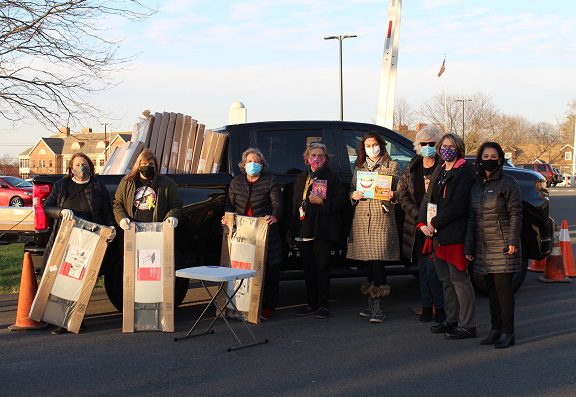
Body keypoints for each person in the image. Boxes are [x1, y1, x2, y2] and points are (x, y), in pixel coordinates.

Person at [42, 152, 116, 334]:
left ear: (90, 166)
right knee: (64, 279)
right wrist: (61, 212)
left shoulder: (97, 187)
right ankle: (61, 320)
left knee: (81, 280)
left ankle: (76, 318)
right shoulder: (61, 186)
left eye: (84, 164)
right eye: (77, 165)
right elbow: (47, 208)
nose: (81, 168)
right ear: (71, 168)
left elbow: (107, 211)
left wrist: (111, 228)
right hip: (66, 240)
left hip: (89, 240)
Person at [417, 133, 477, 339]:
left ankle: (467, 324)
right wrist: (422, 223)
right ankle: (451, 320)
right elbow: (428, 198)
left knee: (459, 279)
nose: (446, 149)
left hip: (455, 235)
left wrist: (434, 223)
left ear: (459, 148)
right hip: (437, 235)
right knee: (446, 280)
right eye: (444, 146)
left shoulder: (465, 171)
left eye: (451, 146)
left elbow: (458, 206)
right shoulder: (440, 170)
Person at [465, 142, 522, 349]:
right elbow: (472, 218)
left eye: (493, 156)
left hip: (503, 245)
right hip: (483, 246)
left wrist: (513, 241)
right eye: (485, 156)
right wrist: (469, 248)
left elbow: (516, 213)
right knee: (491, 292)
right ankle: (495, 329)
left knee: (503, 292)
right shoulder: (476, 186)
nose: (489, 160)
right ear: (480, 159)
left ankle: (508, 332)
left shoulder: (509, 183)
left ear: (500, 159)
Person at [222, 148, 283, 320]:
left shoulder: (270, 181)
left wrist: (275, 216)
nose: (253, 164)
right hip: (243, 233)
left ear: (262, 165)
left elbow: (278, 204)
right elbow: (229, 204)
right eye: (249, 161)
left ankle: (268, 307)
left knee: (269, 271)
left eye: (257, 161)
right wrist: (227, 218)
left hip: (265, 233)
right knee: (244, 269)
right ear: (243, 164)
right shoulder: (237, 182)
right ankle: (241, 305)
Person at [347, 133, 400, 323]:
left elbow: (400, 192)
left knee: (378, 263)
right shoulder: (359, 167)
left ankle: (378, 306)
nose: (371, 148)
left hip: (380, 218)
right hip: (362, 219)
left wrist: (393, 195)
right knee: (368, 264)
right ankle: (371, 303)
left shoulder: (391, 165)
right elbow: (351, 190)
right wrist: (353, 196)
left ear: (381, 145)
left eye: (374, 144)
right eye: (368, 145)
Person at [290, 142, 346, 319]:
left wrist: (322, 203)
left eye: (320, 155)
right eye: (313, 155)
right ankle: (310, 303)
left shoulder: (331, 178)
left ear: (326, 159)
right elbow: (294, 206)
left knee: (322, 268)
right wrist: (292, 230)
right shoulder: (301, 178)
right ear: (307, 158)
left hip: (322, 230)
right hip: (304, 229)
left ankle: (323, 305)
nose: (316, 158)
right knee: (308, 269)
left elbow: (340, 203)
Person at [397, 125, 445, 323]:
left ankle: (440, 308)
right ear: (417, 145)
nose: (427, 147)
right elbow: (402, 193)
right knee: (423, 270)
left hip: (438, 226)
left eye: (431, 144)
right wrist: (419, 217)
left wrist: (435, 222)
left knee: (438, 271)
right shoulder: (413, 166)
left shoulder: (443, 166)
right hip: (417, 227)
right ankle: (426, 306)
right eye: (423, 143)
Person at [113, 149, 182, 230]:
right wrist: (121, 218)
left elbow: (176, 205)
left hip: (157, 231)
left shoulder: (167, 183)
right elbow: (118, 203)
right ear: (138, 166)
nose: (147, 166)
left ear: (155, 166)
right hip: (132, 229)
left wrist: (172, 216)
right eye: (144, 164)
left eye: (151, 164)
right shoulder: (127, 182)